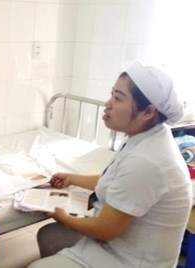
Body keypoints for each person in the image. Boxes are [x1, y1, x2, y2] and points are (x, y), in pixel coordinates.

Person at [29, 62, 193, 268]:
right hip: (116, 246)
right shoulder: (146, 138)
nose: (107, 104)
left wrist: (62, 215)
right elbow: (117, 180)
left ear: (148, 112)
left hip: (129, 260)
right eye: (111, 95)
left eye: (118, 98)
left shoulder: (149, 161)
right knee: (49, 236)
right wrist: (72, 178)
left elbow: (106, 230)